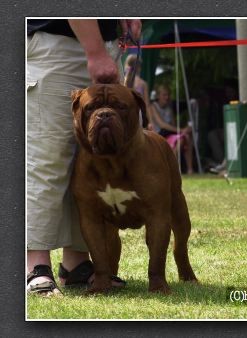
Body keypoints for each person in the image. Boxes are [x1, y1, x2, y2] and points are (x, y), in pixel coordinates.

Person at [26, 19, 142, 296]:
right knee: (48, 158)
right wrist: (96, 53)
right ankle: (36, 265)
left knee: (91, 166)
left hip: (101, 45)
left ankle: (76, 263)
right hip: (59, 46)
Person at [150, 84, 195, 174]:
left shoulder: (169, 108)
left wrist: (184, 130)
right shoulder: (152, 107)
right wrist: (182, 130)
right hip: (159, 135)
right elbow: (162, 125)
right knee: (182, 138)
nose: (167, 97)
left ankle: (190, 169)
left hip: (169, 135)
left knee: (186, 137)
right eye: (164, 95)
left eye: (168, 95)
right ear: (158, 96)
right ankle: (170, 166)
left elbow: (174, 125)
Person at [124, 54, 153, 130]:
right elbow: (147, 104)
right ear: (139, 68)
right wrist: (150, 122)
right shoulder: (143, 84)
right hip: (138, 116)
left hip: (125, 115)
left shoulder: (122, 82)